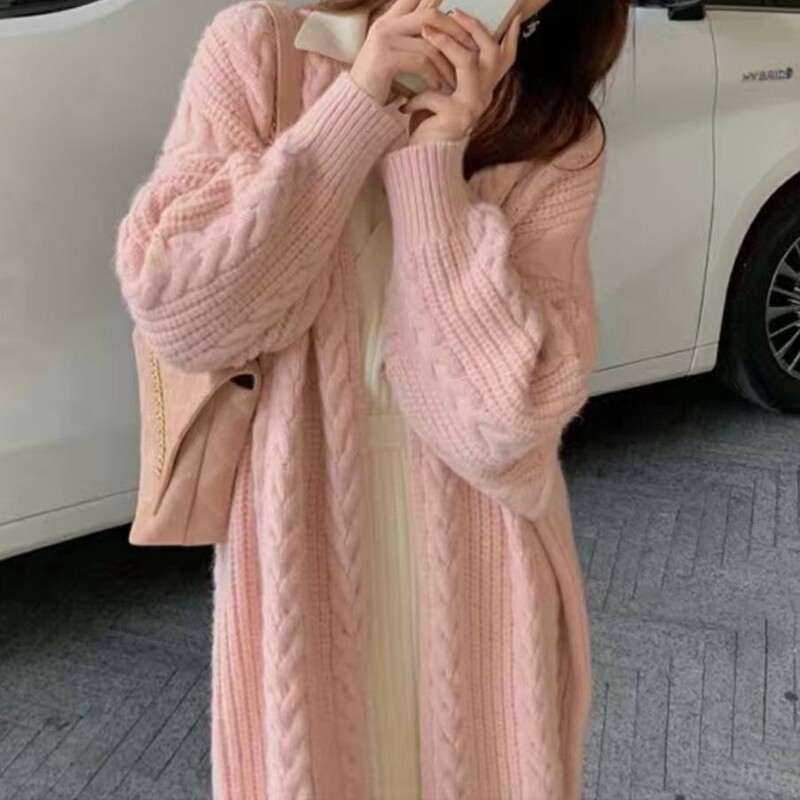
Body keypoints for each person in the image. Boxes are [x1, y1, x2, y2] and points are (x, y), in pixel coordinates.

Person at [114, 0, 628, 797]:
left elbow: (499, 421)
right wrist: (357, 102)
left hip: (485, 563)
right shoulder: (261, 49)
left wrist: (436, 163)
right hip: (300, 536)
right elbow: (184, 314)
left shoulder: (553, 133)